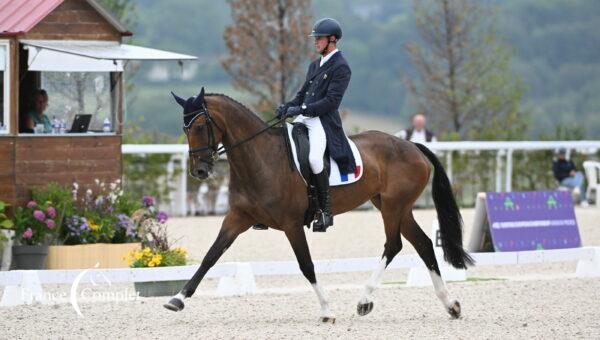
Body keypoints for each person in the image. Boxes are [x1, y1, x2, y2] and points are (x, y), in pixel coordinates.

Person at [275, 17, 356, 232]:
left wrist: (301, 110)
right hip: (305, 117)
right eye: (315, 38)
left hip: (322, 122)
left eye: (318, 38)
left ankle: (324, 210)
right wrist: (287, 106)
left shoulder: (341, 67)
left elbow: (331, 102)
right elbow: (302, 94)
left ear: (332, 40)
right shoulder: (314, 65)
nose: (315, 42)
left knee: (314, 159)